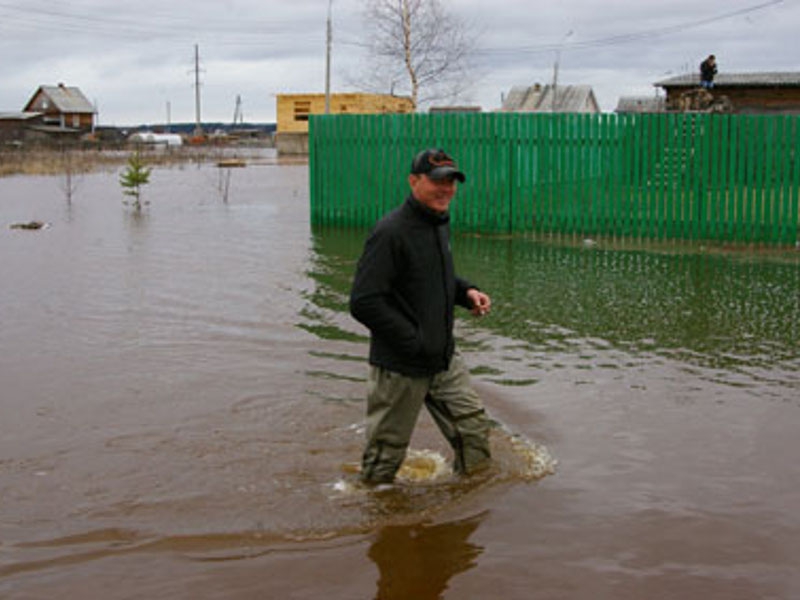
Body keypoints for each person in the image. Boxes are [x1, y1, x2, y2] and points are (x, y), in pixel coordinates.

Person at [349, 148, 493, 484]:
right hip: (400, 366)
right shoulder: (391, 232)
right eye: (438, 181)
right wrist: (414, 341)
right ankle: (373, 508)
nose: (447, 189)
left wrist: (466, 292)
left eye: (452, 182)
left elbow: (435, 278)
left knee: (474, 431)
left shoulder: (438, 223)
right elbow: (364, 301)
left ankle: (472, 502)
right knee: (385, 458)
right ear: (414, 181)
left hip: (443, 359)